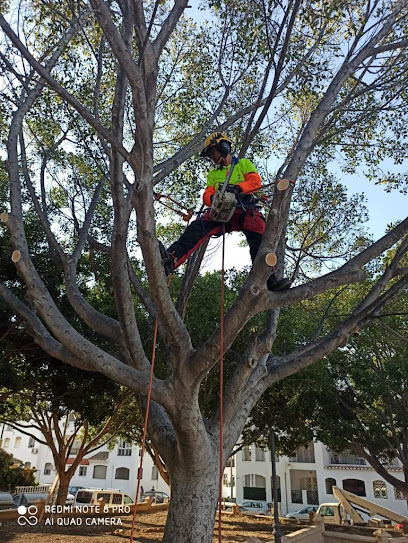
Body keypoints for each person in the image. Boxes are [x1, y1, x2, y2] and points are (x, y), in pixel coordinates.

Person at [159, 132, 290, 291]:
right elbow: (207, 194)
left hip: (245, 207)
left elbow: (255, 182)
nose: (212, 158)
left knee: (261, 240)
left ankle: (269, 280)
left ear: (224, 147)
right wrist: (212, 198)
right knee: (197, 227)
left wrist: (239, 188)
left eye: (212, 152)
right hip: (222, 211)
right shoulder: (213, 174)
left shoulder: (243, 164)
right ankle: (171, 259)